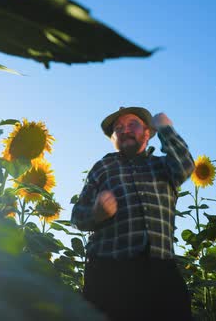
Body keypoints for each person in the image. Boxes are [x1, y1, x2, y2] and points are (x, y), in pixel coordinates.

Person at [71, 106, 195, 320]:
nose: (125, 130)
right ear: (113, 139)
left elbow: (185, 166)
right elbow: (77, 217)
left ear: (148, 133)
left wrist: (167, 129)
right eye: (118, 128)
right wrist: (96, 213)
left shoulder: (163, 166)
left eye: (132, 125)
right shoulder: (102, 167)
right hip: (109, 272)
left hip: (160, 267)